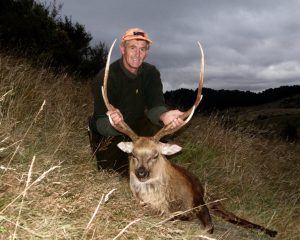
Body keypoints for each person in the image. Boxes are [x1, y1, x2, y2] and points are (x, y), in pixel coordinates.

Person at [89, 28, 184, 175]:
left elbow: (155, 106)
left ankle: (153, 163)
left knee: (158, 132)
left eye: (142, 49)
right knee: (114, 172)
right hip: (111, 132)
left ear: (147, 52)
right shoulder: (106, 76)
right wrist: (114, 123)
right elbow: (100, 122)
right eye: (132, 48)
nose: (137, 54)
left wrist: (164, 116)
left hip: (137, 126)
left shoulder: (151, 73)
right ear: (122, 48)